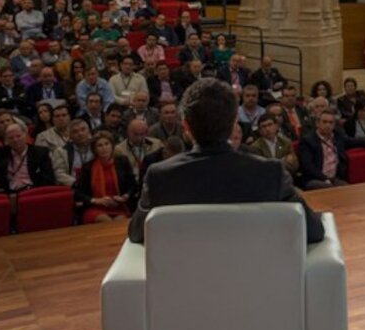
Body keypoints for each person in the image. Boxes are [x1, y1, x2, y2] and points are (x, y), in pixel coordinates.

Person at [128, 77, 325, 245]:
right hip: (257, 275)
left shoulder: (159, 176)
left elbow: (136, 235)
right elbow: (314, 231)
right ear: (233, 123)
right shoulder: (271, 172)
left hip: (183, 277)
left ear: (186, 126)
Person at [297, 108, 365, 189]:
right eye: (324, 122)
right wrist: (325, 179)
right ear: (317, 123)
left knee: (348, 190)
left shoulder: (338, 137)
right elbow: (308, 167)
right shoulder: (307, 141)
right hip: (314, 179)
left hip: (335, 179)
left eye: (330, 123)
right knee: (331, 189)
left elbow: (357, 142)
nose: (328, 125)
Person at [74, 131, 139, 223]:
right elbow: (78, 192)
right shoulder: (88, 167)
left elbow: (132, 185)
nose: (104, 148)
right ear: (94, 149)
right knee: (106, 221)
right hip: (95, 207)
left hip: (119, 206)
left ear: (112, 146)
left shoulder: (122, 162)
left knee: (120, 223)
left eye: (106, 144)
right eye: (99, 145)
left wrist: (125, 196)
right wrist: (96, 200)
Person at [0, 122, 57, 193]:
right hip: (8, 194)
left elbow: (49, 179)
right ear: (6, 140)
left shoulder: (40, 152)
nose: (15, 140)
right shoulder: (1, 153)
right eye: (11, 138)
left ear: (25, 135)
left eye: (18, 136)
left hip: (33, 192)